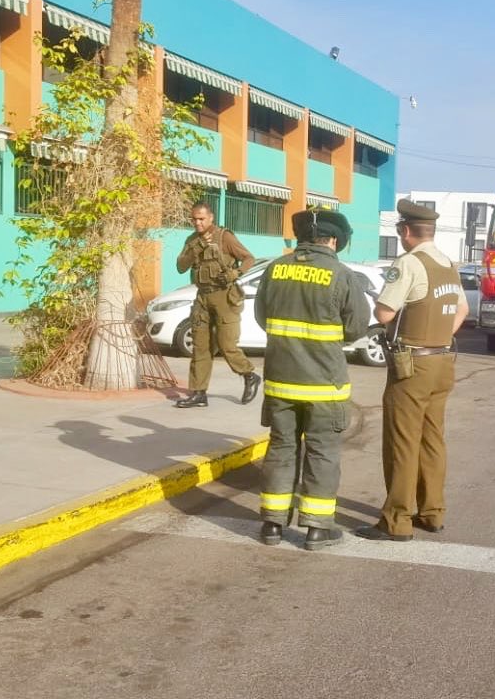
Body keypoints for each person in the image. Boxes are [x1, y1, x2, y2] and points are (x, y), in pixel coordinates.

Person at [254, 209, 371, 551]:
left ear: (303, 237)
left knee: (281, 447)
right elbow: (356, 327)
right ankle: (317, 529)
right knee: (322, 452)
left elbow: (262, 317)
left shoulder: (275, 269)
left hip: (280, 380)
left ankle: (272, 525)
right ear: (333, 240)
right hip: (323, 384)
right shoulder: (341, 274)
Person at [356, 199, 469, 542]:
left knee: (403, 442)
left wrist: (381, 304)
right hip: (442, 361)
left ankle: (397, 520)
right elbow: (461, 309)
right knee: (433, 439)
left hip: (413, 364)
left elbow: (386, 314)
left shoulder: (408, 263)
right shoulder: (448, 264)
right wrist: (440, 334)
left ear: (406, 232)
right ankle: (432, 512)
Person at [174, 201, 261, 408]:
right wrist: (198, 246)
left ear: (210, 218)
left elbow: (249, 258)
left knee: (227, 345)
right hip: (202, 297)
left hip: (225, 297)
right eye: (194, 219)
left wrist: (236, 272)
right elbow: (180, 266)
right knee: (200, 348)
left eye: (201, 219)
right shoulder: (192, 240)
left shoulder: (224, 237)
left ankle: (249, 375)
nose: (198, 223)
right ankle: (198, 393)